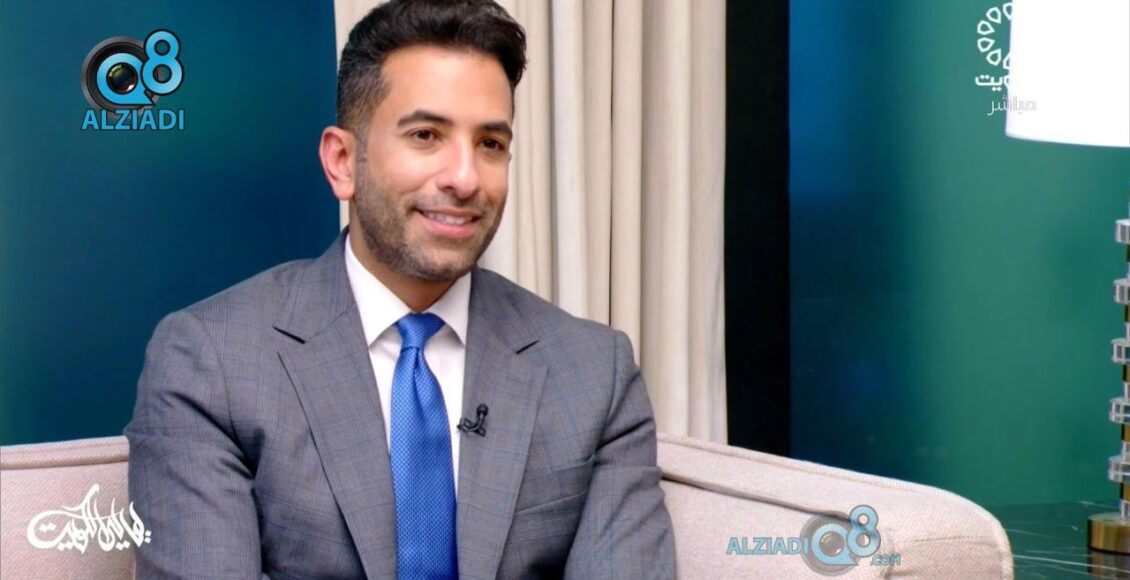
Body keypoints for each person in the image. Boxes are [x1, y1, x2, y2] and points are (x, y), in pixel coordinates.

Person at [125, 0, 675, 578]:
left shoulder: (594, 375)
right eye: (426, 135)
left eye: (490, 144)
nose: (465, 177)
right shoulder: (210, 363)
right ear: (342, 162)